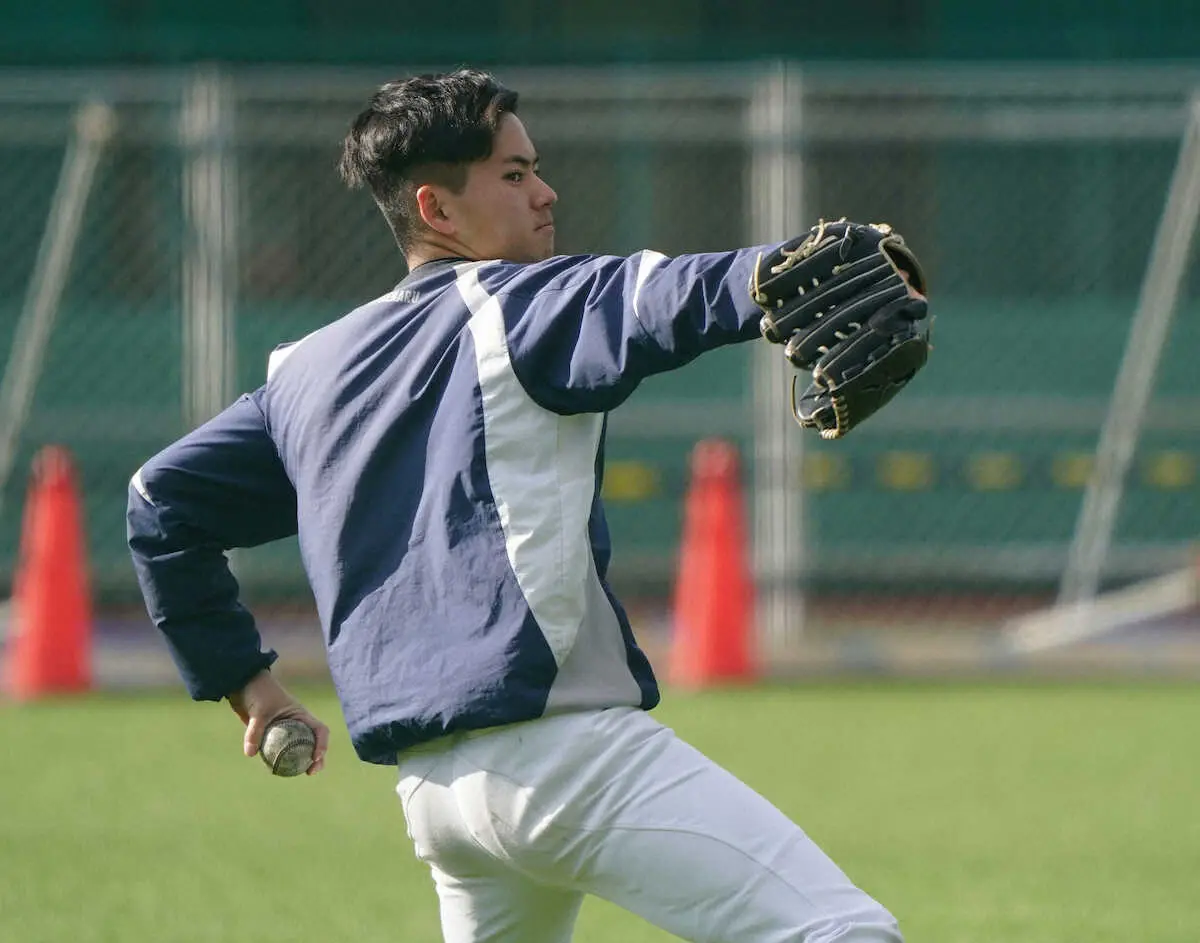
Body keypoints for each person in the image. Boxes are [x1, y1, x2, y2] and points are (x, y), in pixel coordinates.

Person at [127, 68, 903, 943]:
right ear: (437, 208)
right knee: (841, 931)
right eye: (513, 173)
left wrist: (251, 687)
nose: (545, 191)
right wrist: (773, 270)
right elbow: (656, 297)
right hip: (563, 758)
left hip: (439, 798)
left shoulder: (306, 371)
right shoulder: (520, 303)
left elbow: (160, 502)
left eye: (534, 168)